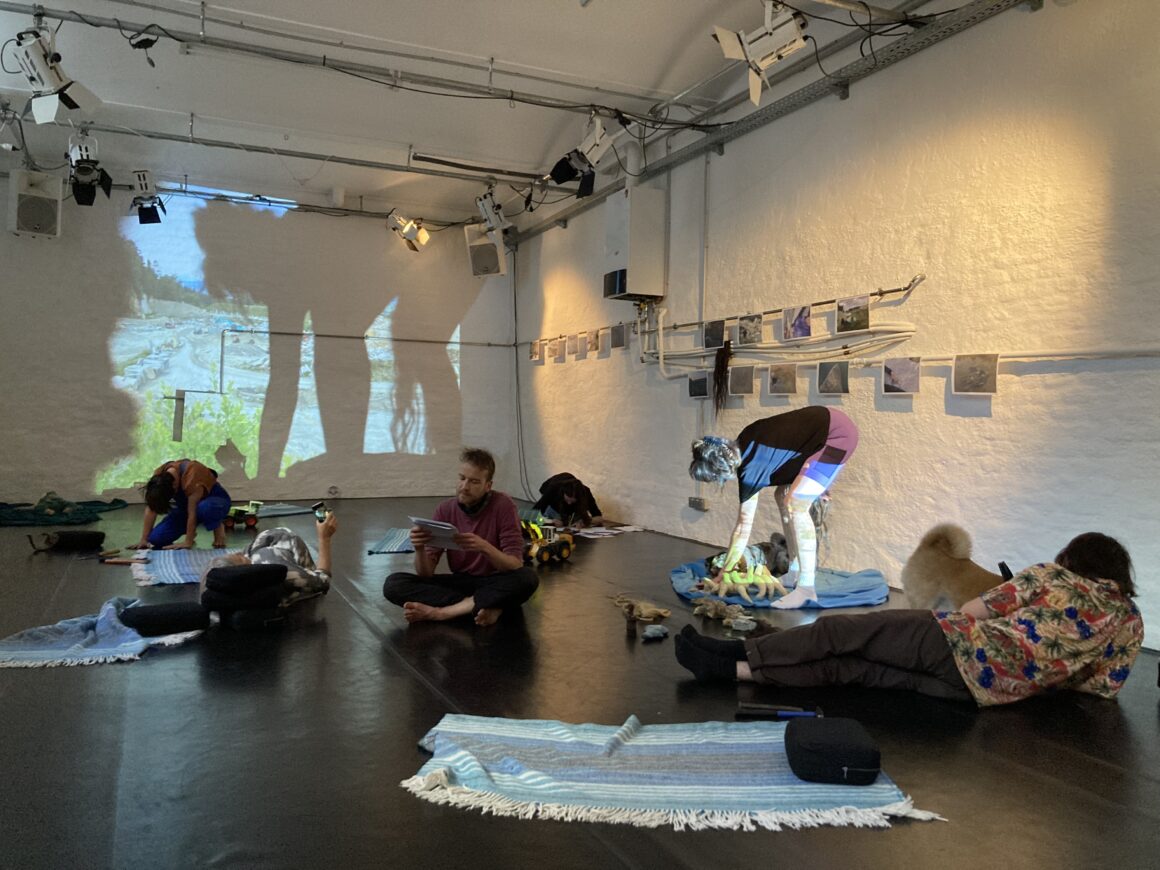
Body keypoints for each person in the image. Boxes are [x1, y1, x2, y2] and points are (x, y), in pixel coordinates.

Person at [675, 532, 1144, 707]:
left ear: (1073, 560)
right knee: (851, 670)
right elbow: (1102, 689)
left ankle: (733, 653)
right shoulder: (1130, 620)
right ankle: (730, 669)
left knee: (840, 632)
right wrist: (1045, 668)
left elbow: (971, 611)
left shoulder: (1052, 576)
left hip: (954, 643)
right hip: (978, 693)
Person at [689, 406, 858, 609]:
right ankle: (794, 570)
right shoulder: (745, 441)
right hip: (821, 434)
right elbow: (789, 447)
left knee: (796, 504)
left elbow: (743, 527)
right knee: (783, 495)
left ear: (720, 470)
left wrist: (725, 572)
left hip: (837, 436)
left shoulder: (751, 469)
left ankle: (806, 589)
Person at [383, 447, 539, 626]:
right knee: (393, 584)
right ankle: (484, 605)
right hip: (462, 582)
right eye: (462, 478)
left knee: (527, 578)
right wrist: (419, 548)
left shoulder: (503, 505)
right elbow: (426, 573)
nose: (464, 487)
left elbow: (514, 564)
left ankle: (443, 613)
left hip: (495, 580)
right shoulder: (445, 509)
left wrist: (484, 548)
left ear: (488, 486)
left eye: (474, 481)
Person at [201, 511, 338, 607]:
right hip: (281, 551)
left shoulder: (223, 593)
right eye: (241, 559)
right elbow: (323, 580)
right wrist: (324, 538)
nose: (240, 555)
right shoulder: (273, 565)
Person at [133, 459, 232, 550]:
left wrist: (188, 542)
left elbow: (192, 513)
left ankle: (218, 527)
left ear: (174, 486)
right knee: (156, 539)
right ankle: (191, 532)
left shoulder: (192, 476)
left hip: (213, 500)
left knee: (205, 508)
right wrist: (144, 539)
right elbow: (152, 507)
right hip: (184, 507)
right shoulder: (159, 476)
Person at [532, 472, 605, 527]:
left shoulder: (585, 492)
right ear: (563, 493)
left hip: (572, 509)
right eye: (567, 500)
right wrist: (550, 521)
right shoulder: (553, 490)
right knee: (548, 519)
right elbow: (532, 515)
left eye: (573, 501)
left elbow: (599, 517)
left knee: (575, 520)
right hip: (554, 502)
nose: (569, 503)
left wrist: (587, 521)